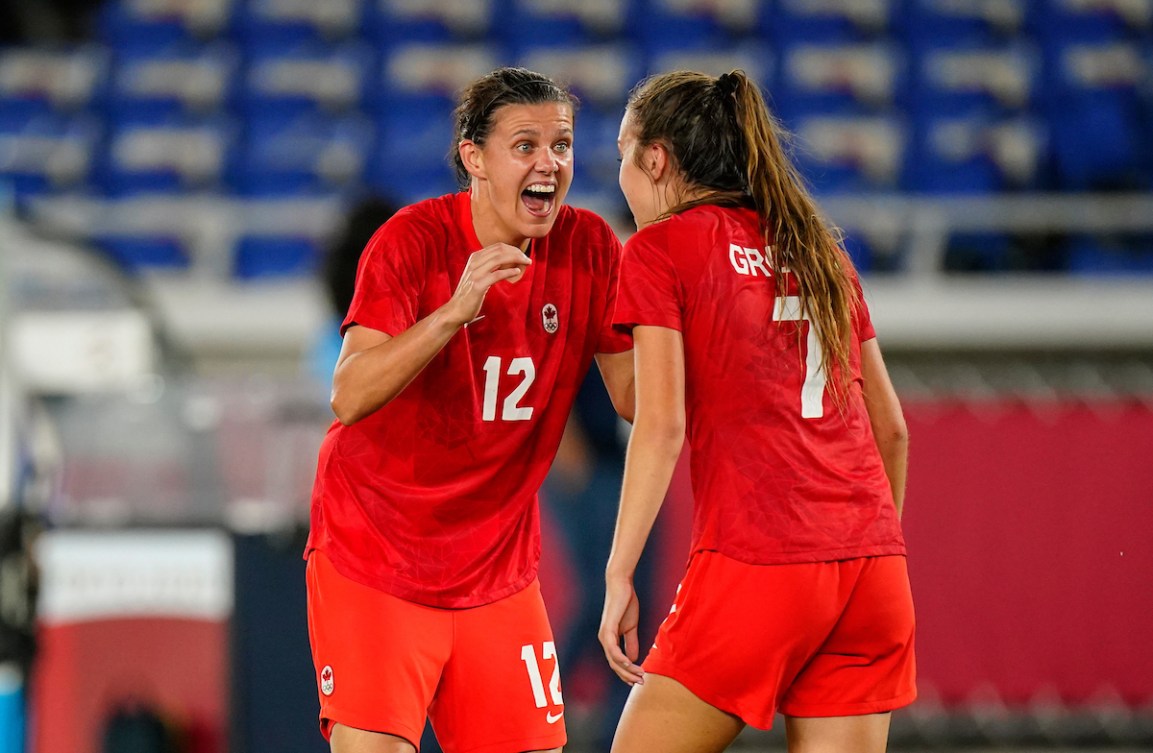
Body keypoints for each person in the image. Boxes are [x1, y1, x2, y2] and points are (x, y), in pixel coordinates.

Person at [304, 67, 634, 753]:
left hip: (494, 570)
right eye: (525, 145)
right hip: (377, 555)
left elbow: (635, 397)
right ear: (473, 157)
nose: (548, 162)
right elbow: (350, 391)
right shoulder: (411, 241)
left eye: (562, 145)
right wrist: (452, 314)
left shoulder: (589, 247)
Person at [598, 69, 915, 753]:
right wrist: (859, 545)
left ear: (655, 159)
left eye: (623, 154)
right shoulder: (820, 251)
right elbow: (890, 427)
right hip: (872, 568)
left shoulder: (660, 247)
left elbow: (659, 421)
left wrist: (619, 569)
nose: (620, 176)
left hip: (757, 561)